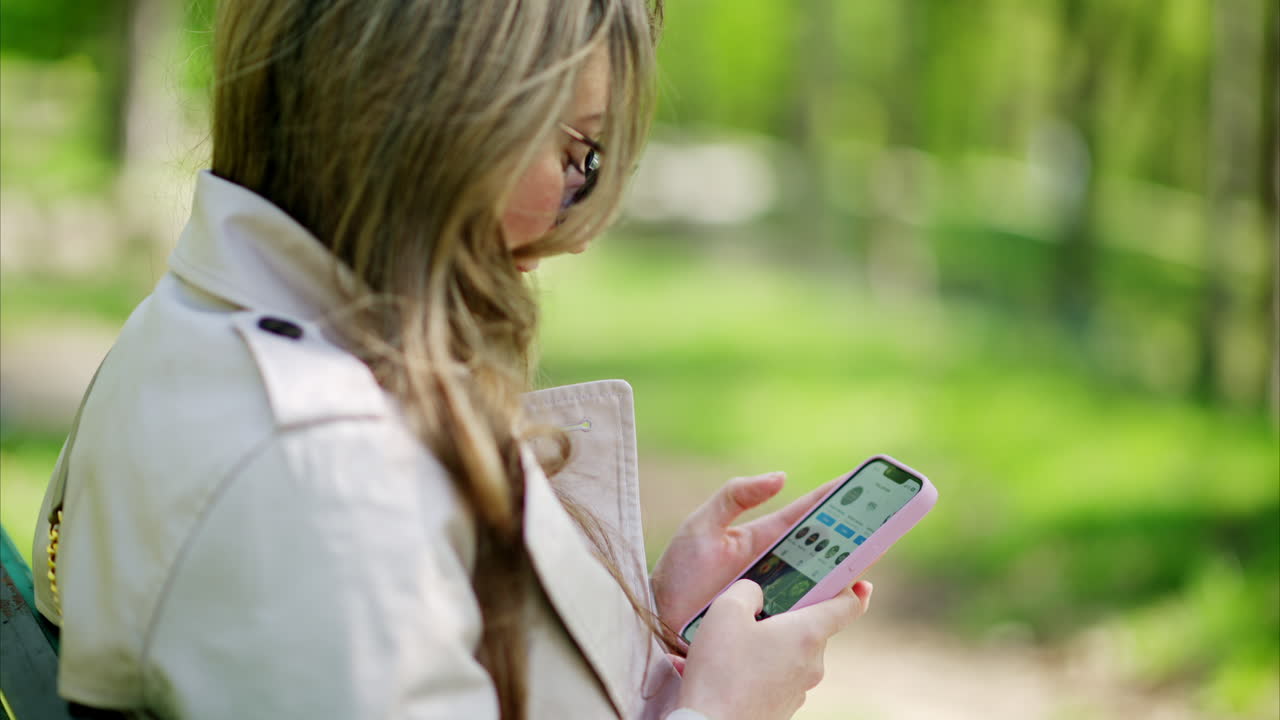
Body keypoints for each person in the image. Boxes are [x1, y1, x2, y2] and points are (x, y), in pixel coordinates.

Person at [31, 2, 872, 719]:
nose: (583, 226)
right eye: (578, 151)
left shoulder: (205, 338)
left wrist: (642, 624)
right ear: (432, 121)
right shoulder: (318, 476)